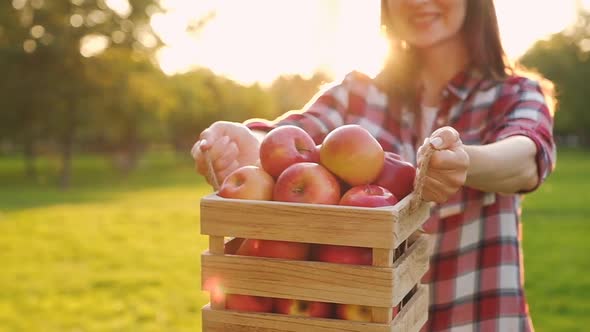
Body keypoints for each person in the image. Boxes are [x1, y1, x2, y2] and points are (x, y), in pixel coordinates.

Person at [192, 0, 556, 330]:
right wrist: (246, 143)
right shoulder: (357, 93)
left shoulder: (515, 94)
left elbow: (526, 156)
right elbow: (296, 133)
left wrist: (466, 161)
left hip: (475, 320)